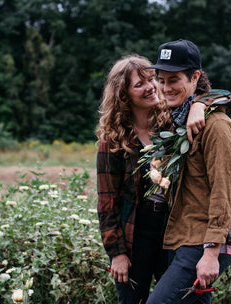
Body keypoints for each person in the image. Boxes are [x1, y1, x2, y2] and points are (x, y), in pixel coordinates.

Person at [145, 39, 231, 304]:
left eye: (174, 79)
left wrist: (211, 253)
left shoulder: (217, 127)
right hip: (182, 236)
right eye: (161, 80)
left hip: (204, 241)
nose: (166, 88)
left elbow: (225, 191)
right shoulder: (178, 118)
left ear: (195, 76)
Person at [96, 54, 175, 304]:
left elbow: (215, 96)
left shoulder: (173, 127)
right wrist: (117, 254)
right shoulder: (112, 141)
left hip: (171, 229)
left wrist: (197, 107)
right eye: (139, 84)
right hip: (135, 233)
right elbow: (107, 203)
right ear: (124, 94)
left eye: (152, 79)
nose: (151, 87)